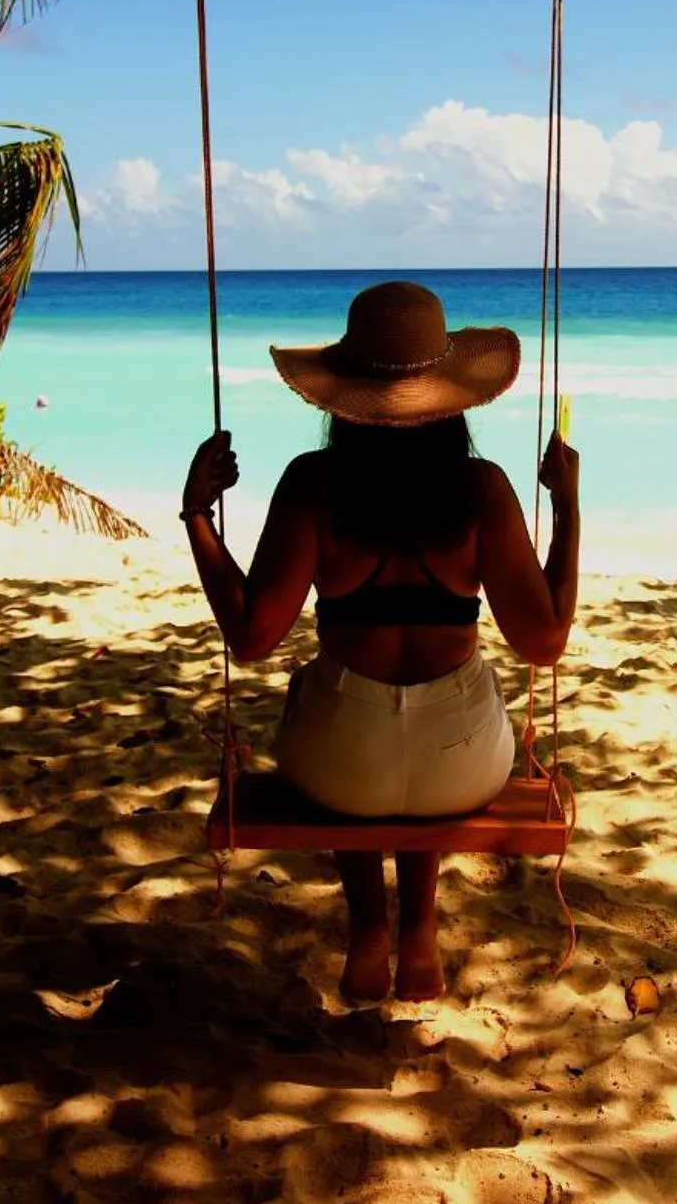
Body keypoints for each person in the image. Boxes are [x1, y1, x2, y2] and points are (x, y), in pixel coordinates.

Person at [181, 280, 580, 1003]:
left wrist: (196, 516)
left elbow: (251, 638)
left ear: (342, 398)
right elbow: (544, 642)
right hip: (461, 768)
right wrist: (567, 506)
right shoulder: (481, 491)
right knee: (440, 714)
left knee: (328, 697)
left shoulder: (312, 486)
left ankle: (369, 927)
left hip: (338, 768)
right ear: (452, 398)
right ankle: (418, 931)